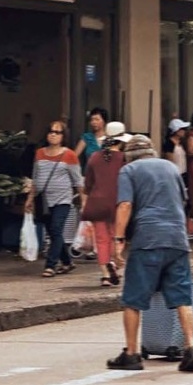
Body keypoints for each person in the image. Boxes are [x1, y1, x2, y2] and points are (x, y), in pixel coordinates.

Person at [107, 134, 193, 373]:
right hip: (177, 239)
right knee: (182, 297)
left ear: (129, 156)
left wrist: (118, 240)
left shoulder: (128, 171)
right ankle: (191, 347)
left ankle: (131, 354)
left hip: (148, 239)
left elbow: (125, 205)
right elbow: (182, 200)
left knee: (133, 299)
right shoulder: (171, 168)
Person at [25, 121, 84, 278]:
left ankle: (50, 265)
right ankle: (67, 262)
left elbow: (78, 180)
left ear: (63, 136)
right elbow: (35, 177)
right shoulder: (39, 153)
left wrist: (83, 199)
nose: (53, 135)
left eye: (57, 132)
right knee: (53, 232)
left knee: (56, 229)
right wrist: (30, 198)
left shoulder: (69, 155)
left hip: (62, 199)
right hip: (43, 200)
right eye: (51, 131)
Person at [81, 121, 130, 286]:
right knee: (117, 236)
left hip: (97, 202)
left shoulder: (94, 157)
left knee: (101, 239)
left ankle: (105, 274)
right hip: (117, 201)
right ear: (121, 141)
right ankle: (114, 262)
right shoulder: (124, 159)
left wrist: (85, 200)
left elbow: (88, 184)